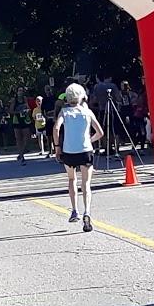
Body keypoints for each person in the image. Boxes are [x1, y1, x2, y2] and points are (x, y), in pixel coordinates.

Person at [53, 83, 104, 233]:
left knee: (71, 179)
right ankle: (87, 212)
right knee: (86, 183)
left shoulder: (64, 112)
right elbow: (100, 132)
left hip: (69, 151)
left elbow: (56, 128)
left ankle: (75, 210)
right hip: (85, 150)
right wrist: (90, 139)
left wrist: (57, 147)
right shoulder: (87, 112)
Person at [9, 86, 31, 165]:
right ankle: (21, 155)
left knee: (27, 136)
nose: (20, 92)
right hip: (17, 120)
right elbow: (11, 111)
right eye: (19, 90)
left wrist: (27, 111)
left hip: (25, 119)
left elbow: (28, 107)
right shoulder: (14, 100)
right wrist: (19, 112)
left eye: (22, 90)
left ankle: (23, 150)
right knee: (18, 138)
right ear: (17, 92)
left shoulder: (25, 99)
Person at [42, 85, 56, 157]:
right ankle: (49, 151)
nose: (48, 91)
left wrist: (55, 115)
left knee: (55, 135)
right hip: (48, 118)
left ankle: (56, 150)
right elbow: (42, 110)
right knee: (49, 136)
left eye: (49, 89)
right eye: (46, 89)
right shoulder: (44, 99)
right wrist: (45, 117)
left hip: (54, 118)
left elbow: (57, 107)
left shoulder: (54, 98)